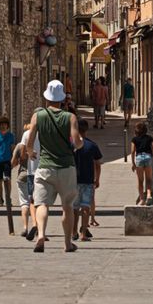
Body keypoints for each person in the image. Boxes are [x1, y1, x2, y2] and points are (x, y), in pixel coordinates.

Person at [25, 79, 80, 253]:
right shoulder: (70, 117)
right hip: (66, 167)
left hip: (45, 167)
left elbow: (30, 139)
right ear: (62, 99)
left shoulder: (38, 116)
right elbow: (77, 142)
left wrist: (30, 152)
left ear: (47, 99)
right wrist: (79, 145)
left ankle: (41, 234)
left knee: (41, 204)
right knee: (67, 206)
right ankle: (67, 243)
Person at [73, 119, 102, 241]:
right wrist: (97, 179)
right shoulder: (92, 145)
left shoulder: (72, 145)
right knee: (85, 207)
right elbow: (98, 163)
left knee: (74, 208)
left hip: (74, 181)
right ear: (86, 130)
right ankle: (83, 233)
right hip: (88, 180)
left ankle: (73, 232)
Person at [11, 127, 40, 241]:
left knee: (24, 203)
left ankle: (25, 227)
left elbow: (12, 163)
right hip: (37, 174)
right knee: (36, 202)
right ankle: (37, 225)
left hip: (23, 175)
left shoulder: (19, 146)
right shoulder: (42, 140)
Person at [130, 121, 153, 205]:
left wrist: (133, 163)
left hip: (139, 158)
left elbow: (133, 151)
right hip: (148, 157)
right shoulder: (149, 138)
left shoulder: (134, 139)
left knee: (140, 180)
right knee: (149, 179)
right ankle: (148, 195)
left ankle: (142, 199)